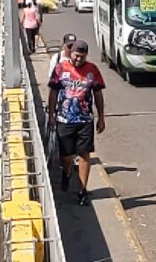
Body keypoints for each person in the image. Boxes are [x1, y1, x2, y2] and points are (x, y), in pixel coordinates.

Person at [48, 40, 106, 206]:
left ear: (86, 55)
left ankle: (82, 190)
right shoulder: (61, 69)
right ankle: (67, 173)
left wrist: (101, 117)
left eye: (82, 56)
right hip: (64, 120)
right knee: (66, 157)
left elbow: (98, 95)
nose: (79, 59)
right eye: (76, 55)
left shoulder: (92, 70)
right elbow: (53, 92)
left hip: (85, 120)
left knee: (84, 155)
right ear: (70, 53)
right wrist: (51, 115)